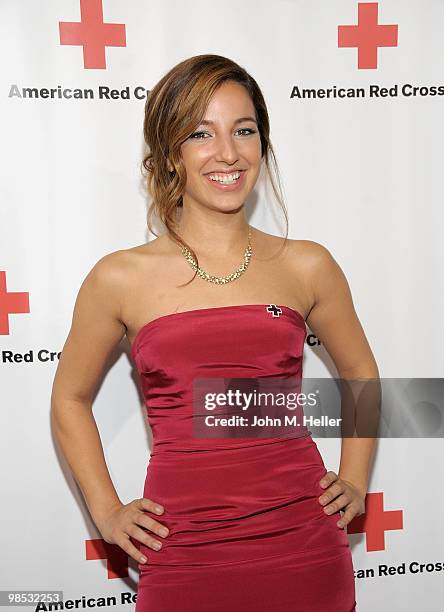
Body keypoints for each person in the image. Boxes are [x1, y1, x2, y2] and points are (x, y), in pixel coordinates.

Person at [51, 54, 379, 611]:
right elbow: (70, 397)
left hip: (304, 543)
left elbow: (361, 373)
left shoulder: (306, 265)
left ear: (262, 145)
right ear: (169, 153)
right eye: (201, 133)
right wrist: (106, 511)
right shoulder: (119, 276)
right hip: (182, 551)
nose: (228, 153)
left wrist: (353, 479)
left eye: (244, 131)